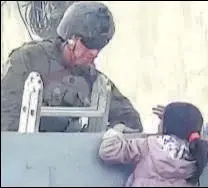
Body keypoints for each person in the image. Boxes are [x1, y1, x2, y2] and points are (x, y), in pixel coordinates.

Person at [1, 1, 143, 133]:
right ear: (71, 39)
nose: (95, 52)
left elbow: (130, 119)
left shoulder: (92, 78)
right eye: (90, 44)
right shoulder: (27, 61)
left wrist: (117, 129)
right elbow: (6, 119)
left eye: (100, 46)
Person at [99, 102, 208, 187]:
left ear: (166, 125)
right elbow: (198, 134)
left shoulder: (149, 146)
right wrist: (175, 117)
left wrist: (117, 131)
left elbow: (109, 151)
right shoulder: (197, 154)